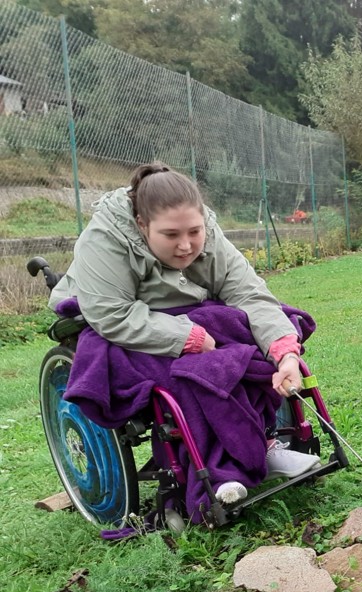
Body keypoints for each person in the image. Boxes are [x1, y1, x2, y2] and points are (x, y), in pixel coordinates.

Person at [49, 162, 320, 516]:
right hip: (122, 321)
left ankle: (262, 444)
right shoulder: (105, 239)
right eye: (171, 235)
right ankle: (218, 473)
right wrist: (185, 337)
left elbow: (249, 293)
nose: (186, 245)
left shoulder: (209, 233)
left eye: (194, 231)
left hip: (190, 311)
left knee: (246, 348)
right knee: (193, 373)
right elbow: (111, 313)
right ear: (142, 224)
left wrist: (284, 352)